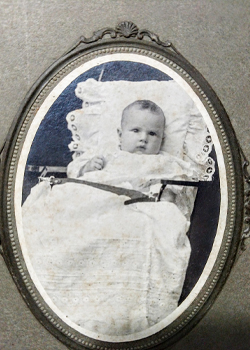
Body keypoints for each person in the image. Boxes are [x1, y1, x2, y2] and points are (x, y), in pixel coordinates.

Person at [22, 100, 198, 337]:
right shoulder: (108, 155)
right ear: (120, 134)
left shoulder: (164, 162)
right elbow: (77, 174)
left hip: (135, 204)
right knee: (64, 206)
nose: (143, 138)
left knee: (133, 227)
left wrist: (166, 196)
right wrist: (89, 168)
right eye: (136, 131)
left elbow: (179, 188)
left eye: (152, 133)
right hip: (99, 196)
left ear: (162, 139)